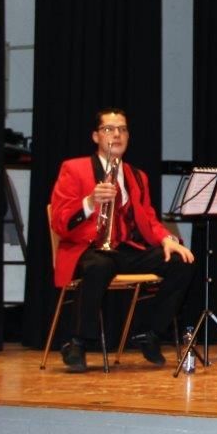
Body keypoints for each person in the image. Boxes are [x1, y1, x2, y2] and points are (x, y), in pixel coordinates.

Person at [49, 109, 196, 372]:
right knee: (98, 266)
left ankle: (149, 332)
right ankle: (77, 342)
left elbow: (149, 218)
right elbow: (60, 222)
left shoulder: (137, 175)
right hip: (88, 247)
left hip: (126, 248)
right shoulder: (73, 168)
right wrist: (89, 202)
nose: (117, 135)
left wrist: (166, 238)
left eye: (123, 129)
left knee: (182, 262)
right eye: (109, 129)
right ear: (96, 136)